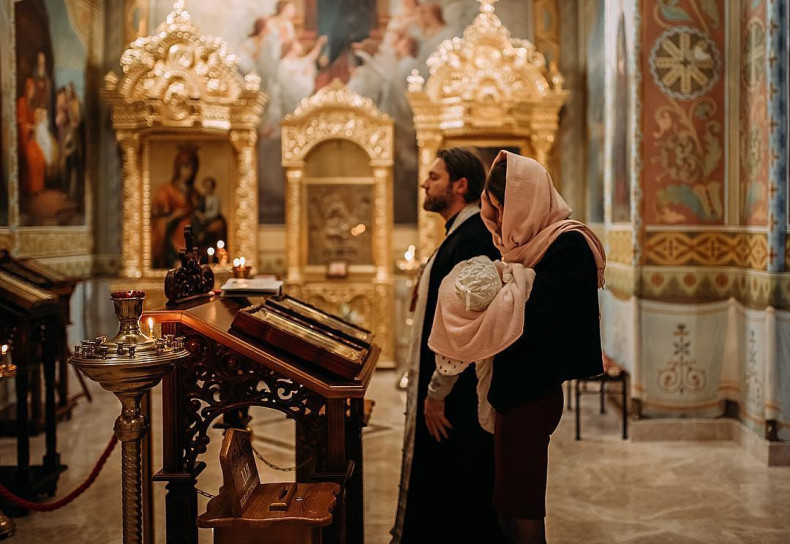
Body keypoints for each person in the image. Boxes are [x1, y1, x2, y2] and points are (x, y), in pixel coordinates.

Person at [430, 150, 606, 544]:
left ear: (525, 200)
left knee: (522, 507)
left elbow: (534, 322)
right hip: (511, 391)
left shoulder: (569, 245)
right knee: (507, 504)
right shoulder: (527, 246)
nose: (496, 217)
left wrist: (498, 289)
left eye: (501, 206)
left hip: (532, 395)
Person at [391, 148, 506, 544]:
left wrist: (438, 392)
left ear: (461, 185)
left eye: (434, 177)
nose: (425, 183)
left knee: (458, 484)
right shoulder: (460, 234)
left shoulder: (471, 238)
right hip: (453, 390)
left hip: (458, 395)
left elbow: (466, 328)